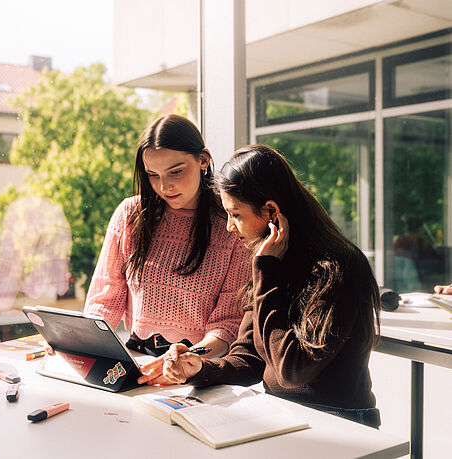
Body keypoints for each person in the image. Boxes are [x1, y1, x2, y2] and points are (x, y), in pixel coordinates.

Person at [139, 144, 382, 428]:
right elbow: (250, 358)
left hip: (341, 423)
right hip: (283, 415)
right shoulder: (271, 262)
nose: (230, 227)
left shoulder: (337, 268)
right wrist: (200, 368)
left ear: (271, 212)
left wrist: (266, 272)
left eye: (236, 214)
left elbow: (292, 370)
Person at [84, 114, 249, 370]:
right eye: (153, 174)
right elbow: (105, 300)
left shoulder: (231, 223)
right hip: (136, 360)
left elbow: (228, 323)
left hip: (198, 366)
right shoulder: (131, 215)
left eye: (176, 172)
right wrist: (79, 340)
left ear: (203, 160)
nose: (165, 186)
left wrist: (188, 360)